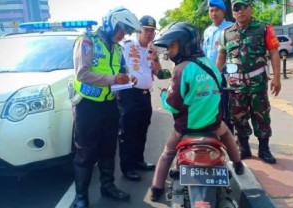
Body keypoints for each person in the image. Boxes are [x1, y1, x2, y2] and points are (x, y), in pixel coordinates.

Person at [149, 22, 244, 202]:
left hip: (186, 129)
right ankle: (238, 164)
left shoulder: (181, 69)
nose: (169, 51)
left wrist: (163, 96)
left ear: (185, 44)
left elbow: (173, 105)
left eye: (172, 45)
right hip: (213, 127)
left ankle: (156, 188)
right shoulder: (210, 64)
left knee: (167, 153)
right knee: (229, 137)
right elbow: (219, 89)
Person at [71, 6, 141, 208]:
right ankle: (81, 197)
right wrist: (113, 79)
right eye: (123, 29)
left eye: (127, 32)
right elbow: (82, 73)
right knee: (85, 152)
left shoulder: (118, 48)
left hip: (109, 104)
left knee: (108, 148)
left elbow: (122, 72)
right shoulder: (87, 41)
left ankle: (107, 186)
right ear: (112, 23)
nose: (124, 35)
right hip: (87, 106)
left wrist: (129, 78)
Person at [216, 0, 281, 164]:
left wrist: (277, 78)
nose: (240, 11)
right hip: (235, 85)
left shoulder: (264, 28)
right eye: (236, 8)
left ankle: (264, 149)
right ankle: (244, 147)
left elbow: (274, 52)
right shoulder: (226, 33)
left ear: (251, 8)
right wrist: (215, 77)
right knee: (238, 116)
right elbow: (221, 56)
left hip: (257, 82)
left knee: (262, 116)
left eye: (244, 7)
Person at [119, 15, 169, 181]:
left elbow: (158, 73)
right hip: (129, 95)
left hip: (145, 96)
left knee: (142, 130)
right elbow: (118, 67)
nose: (149, 33)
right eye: (146, 30)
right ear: (139, 30)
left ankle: (138, 161)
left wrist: (155, 57)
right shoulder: (126, 45)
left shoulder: (151, 49)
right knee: (128, 132)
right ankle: (127, 168)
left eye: (152, 31)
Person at [202, 0, 234, 132]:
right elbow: (204, 53)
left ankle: (230, 136)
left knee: (227, 108)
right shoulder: (208, 31)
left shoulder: (231, 28)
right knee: (212, 107)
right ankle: (216, 134)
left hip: (225, 75)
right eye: (211, 10)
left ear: (223, 11)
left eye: (216, 10)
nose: (213, 13)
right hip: (209, 76)